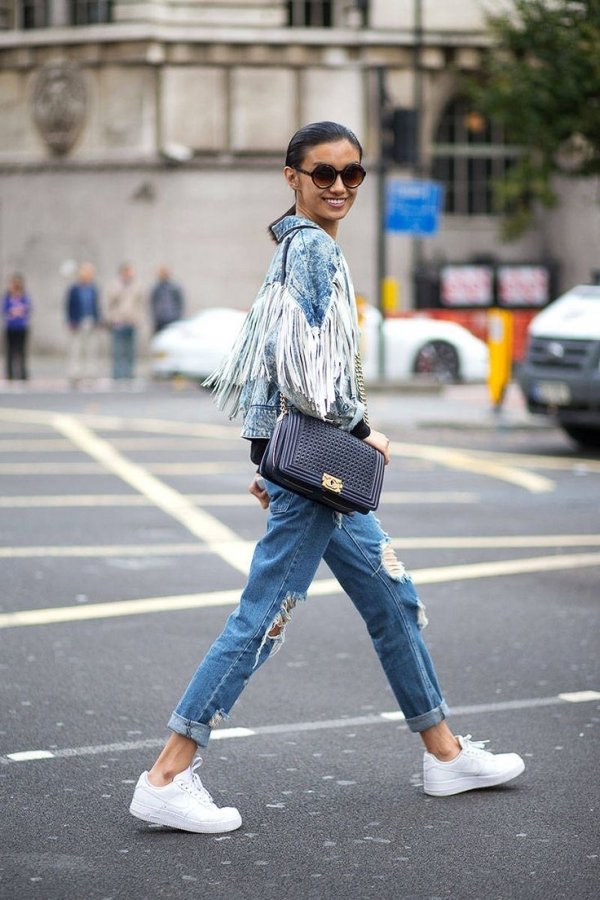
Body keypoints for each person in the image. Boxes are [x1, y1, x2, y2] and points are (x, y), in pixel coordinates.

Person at [129, 121, 525, 834]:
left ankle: (445, 753)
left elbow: (268, 361)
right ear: (292, 176)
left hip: (310, 470)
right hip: (323, 470)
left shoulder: (301, 247)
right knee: (264, 615)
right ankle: (168, 773)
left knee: (392, 598)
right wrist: (360, 430)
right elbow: (306, 373)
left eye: (352, 174)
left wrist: (268, 458)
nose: (339, 186)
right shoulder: (311, 251)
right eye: (323, 173)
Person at [105, 263, 143, 380]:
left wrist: (138, 318)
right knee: (118, 349)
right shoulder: (115, 285)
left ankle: (129, 373)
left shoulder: (136, 285)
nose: (130, 274)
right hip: (119, 321)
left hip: (131, 321)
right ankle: (117, 373)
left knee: (130, 350)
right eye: (128, 271)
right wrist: (111, 318)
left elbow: (140, 303)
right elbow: (109, 303)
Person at [65, 262, 101, 385]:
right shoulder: (74, 289)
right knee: (76, 349)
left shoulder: (93, 288)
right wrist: (70, 321)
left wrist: (97, 320)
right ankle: (75, 374)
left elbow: (96, 306)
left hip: (90, 321)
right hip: (77, 322)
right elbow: (69, 306)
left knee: (91, 349)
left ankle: (91, 374)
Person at [3, 274, 32, 381]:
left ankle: (22, 373)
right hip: (11, 327)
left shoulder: (24, 296)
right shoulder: (8, 296)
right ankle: (10, 374)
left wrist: (19, 311)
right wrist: (14, 312)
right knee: (10, 351)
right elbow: (5, 309)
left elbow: (28, 308)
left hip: (21, 327)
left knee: (22, 351)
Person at [150, 266, 184, 333]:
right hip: (160, 320)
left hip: (172, 318)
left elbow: (179, 302)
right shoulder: (156, 289)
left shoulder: (174, 288)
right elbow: (153, 303)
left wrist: (177, 315)